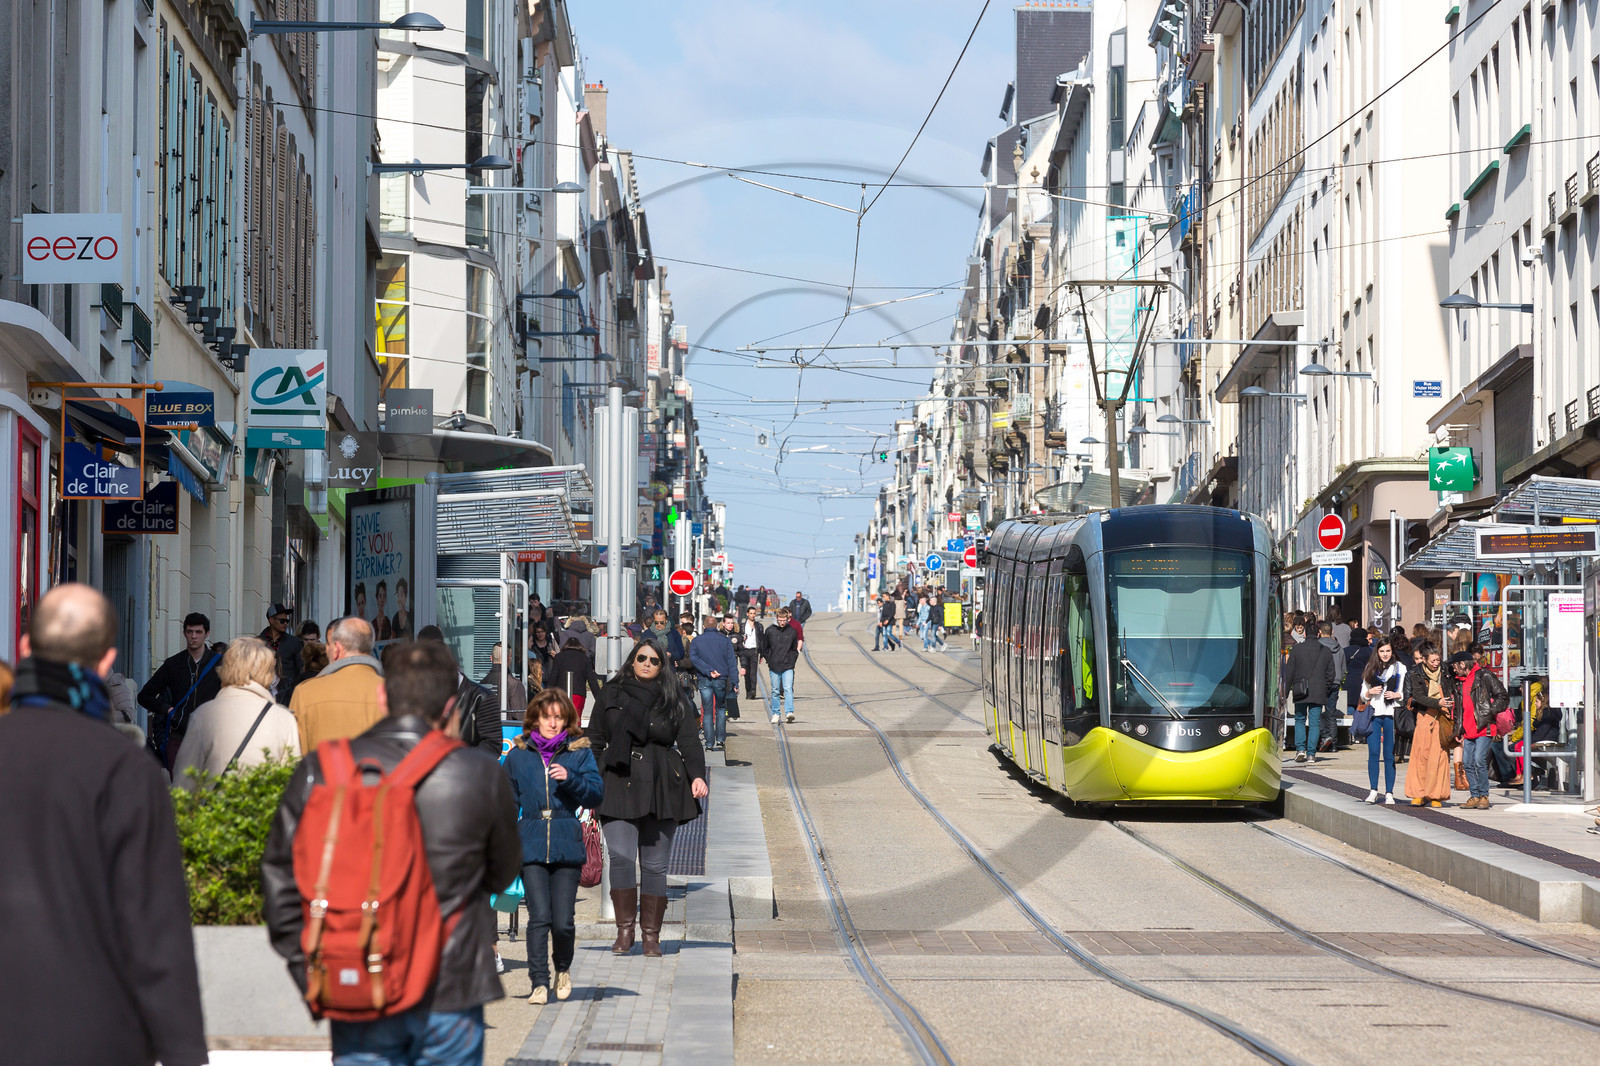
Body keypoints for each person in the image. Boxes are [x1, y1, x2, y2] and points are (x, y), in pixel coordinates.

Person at [262, 638, 521, 1064]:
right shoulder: (477, 773)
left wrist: (308, 961)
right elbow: (502, 872)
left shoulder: (324, 767)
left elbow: (279, 873)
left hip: (359, 972)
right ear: (451, 706)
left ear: (382, 695)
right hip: (449, 984)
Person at [0, 584, 207, 1066]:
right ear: (105, 661)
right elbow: (156, 929)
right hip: (94, 1032)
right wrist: (183, 1050)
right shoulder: (126, 770)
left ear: (27, 648)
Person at [586, 638, 708, 958]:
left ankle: (651, 936)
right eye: (642, 658)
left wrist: (697, 776)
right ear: (632, 659)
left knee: (655, 866)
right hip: (618, 779)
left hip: (662, 784)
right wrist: (593, 775)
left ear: (661, 665)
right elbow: (595, 738)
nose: (647, 665)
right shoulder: (612, 692)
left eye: (654, 661)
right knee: (623, 858)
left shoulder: (673, 697)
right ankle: (624, 933)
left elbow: (689, 741)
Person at [502, 688, 603, 1006]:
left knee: (563, 920)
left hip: (565, 839)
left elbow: (595, 795)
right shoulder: (518, 755)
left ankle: (562, 969)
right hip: (530, 840)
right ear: (534, 718)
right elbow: (506, 801)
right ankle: (539, 984)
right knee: (539, 917)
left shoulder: (579, 752)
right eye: (547, 717)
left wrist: (571, 778)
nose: (552, 723)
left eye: (559, 718)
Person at [173, 637, 301, 787]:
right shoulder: (284, 719)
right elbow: (293, 782)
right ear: (267, 671)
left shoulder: (203, 715)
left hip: (214, 808)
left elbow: (185, 779)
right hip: (265, 808)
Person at [138, 612, 226, 773]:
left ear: (207, 634)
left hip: (209, 738)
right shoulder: (173, 664)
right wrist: (168, 710)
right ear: (184, 633)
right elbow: (144, 696)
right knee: (181, 793)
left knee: (208, 792)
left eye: (198, 632)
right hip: (178, 739)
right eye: (190, 631)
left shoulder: (220, 664)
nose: (194, 636)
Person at [289, 616, 385, 755]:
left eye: (328, 644)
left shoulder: (305, 692)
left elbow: (294, 756)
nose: (326, 649)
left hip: (321, 775)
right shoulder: (391, 692)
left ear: (337, 648)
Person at [1453, 649, 1510, 809]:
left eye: (1455, 666)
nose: (1454, 669)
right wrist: (1458, 729)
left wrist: (1489, 711)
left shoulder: (1484, 675)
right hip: (1468, 729)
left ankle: (1484, 795)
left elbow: (1503, 696)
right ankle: (1474, 795)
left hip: (1484, 727)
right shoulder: (1460, 681)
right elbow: (1460, 707)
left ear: (1462, 664)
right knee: (1468, 763)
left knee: (1479, 761)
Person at [1402, 641, 1456, 807]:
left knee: (1439, 757)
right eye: (1432, 660)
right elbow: (1418, 696)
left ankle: (1436, 795)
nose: (1436, 663)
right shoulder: (1416, 673)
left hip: (1443, 716)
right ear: (1424, 660)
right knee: (1421, 755)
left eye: (1438, 660)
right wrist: (1437, 702)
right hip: (1425, 714)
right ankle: (1419, 793)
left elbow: (1454, 688)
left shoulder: (1446, 671)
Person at [1354, 637, 1402, 804]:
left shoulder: (1399, 668)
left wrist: (1397, 695)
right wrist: (1369, 692)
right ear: (1377, 652)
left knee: (1389, 755)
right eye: (1382, 651)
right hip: (1374, 715)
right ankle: (1373, 790)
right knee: (1373, 753)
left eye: (1388, 651)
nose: (1385, 654)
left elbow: (1405, 692)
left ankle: (1389, 793)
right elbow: (1362, 694)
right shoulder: (1371, 668)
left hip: (1391, 714)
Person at [1282, 619, 1337, 763]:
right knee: (1314, 722)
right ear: (1318, 633)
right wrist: (1326, 688)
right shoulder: (1325, 651)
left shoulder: (1297, 649)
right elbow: (1331, 673)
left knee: (1300, 720)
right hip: (1318, 691)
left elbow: (1289, 672)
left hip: (1301, 690)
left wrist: (1286, 692)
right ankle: (1311, 754)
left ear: (1305, 633)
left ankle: (1300, 749)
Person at [690, 613, 737, 751]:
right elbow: (731, 662)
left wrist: (708, 670)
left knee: (708, 710)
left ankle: (709, 743)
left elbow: (694, 658)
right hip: (721, 678)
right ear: (717, 626)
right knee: (721, 709)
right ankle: (721, 740)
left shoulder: (697, 641)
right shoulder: (725, 640)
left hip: (704, 678)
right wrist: (735, 682)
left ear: (704, 626)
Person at [260, 602, 305, 703]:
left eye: (287, 621)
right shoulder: (258, 643)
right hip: (262, 692)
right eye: (282, 621)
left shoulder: (294, 642)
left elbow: (300, 668)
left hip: (287, 694)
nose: (285, 623)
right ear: (271, 620)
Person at [763, 607, 801, 724]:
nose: (782, 622)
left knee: (788, 688)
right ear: (777, 619)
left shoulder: (792, 632)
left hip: (788, 665)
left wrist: (792, 660)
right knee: (775, 690)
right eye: (780, 620)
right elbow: (764, 647)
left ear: (787, 619)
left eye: (784, 620)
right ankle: (776, 713)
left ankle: (789, 712)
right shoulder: (770, 631)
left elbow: (794, 649)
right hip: (774, 665)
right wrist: (770, 659)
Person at [549, 637, 603, 712]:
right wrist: (599, 699)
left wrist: (548, 695)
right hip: (578, 693)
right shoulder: (585, 659)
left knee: (562, 718)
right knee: (576, 719)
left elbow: (553, 677)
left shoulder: (559, 657)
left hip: (561, 693)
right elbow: (592, 680)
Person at [480, 641, 529, 718]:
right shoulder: (514, 684)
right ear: (508, 658)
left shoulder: (482, 683)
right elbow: (520, 717)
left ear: (491, 658)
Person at [1318, 622, 1344, 752]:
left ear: (1320, 631)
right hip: (1336, 681)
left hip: (1321, 681)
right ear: (1332, 632)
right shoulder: (1339, 648)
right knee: (1331, 714)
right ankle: (1333, 745)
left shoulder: (1318, 646)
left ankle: (1325, 735)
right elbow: (1343, 667)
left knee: (1315, 712)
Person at [737, 604, 763, 700]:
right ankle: (748, 691)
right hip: (744, 651)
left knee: (753, 673)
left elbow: (761, 640)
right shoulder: (742, 626)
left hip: (754, 651)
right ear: (747, 614)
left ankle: (753, 691)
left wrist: (762, 654)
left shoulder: (759, 626)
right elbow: (738, 638)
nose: (752, 615)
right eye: (751, 613)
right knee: (746, 673)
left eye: (754, 613)